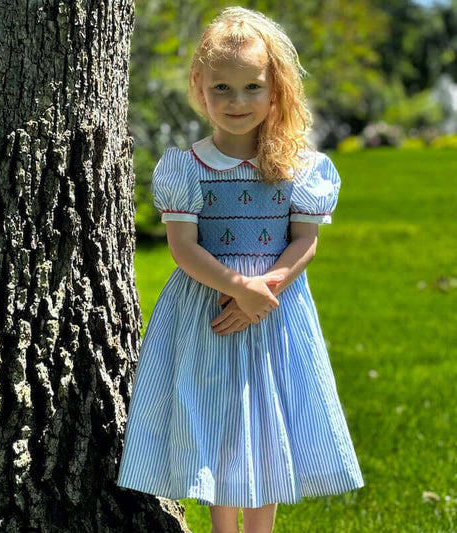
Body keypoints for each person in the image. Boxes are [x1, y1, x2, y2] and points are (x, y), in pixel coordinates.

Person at [117, 6, 364, 532]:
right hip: (208, 307)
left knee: (267, 424)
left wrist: (264, 289)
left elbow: (305, 242)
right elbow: (183, 249)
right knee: (214, 417)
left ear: (275, 89)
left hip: (275, 309)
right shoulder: (186, 167)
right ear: (199, 86)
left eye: (252, 87)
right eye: (222, 88)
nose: (237, 101)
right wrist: (237, 288)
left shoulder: (299, 166)